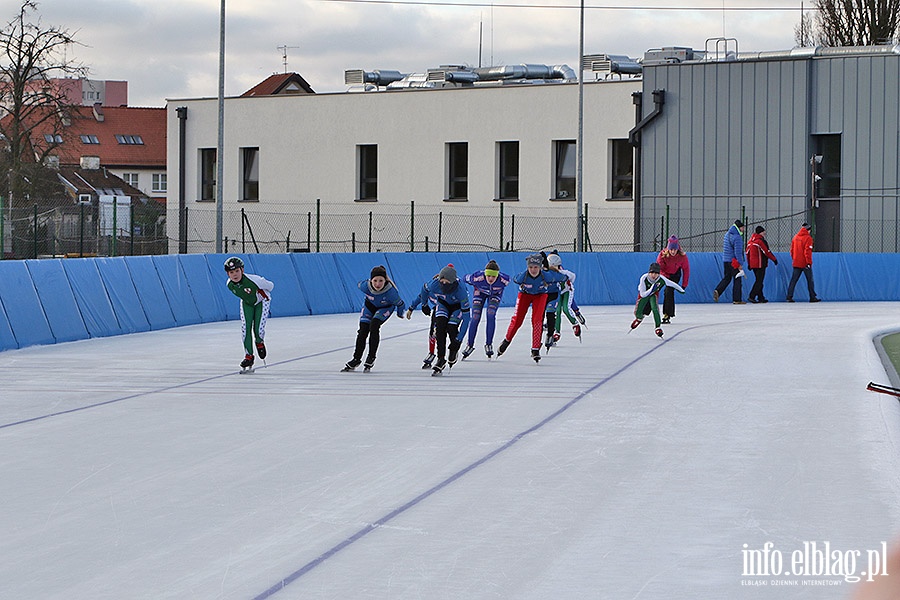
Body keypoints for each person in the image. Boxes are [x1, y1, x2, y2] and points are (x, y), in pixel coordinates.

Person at [497, 253, 567, 362]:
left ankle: (535, 349)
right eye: (530, 267)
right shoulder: (523, 277)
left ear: (540, 267)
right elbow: (515, 279)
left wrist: (567, 277)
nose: (533, 270)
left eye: (535, 267)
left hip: (540, 296)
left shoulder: (547, 276)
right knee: (517, 321)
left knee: (537, 321)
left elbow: (562, 277)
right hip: (524, 295)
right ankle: (506, 341)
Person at [341, 265, 405, 372]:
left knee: (374, 326)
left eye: (381, 281)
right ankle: (356, 359)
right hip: (369, 307)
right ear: (370, 280)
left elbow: (401, 304)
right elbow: (359, 284)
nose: (378, 284)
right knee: (363, 331)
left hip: (385, 308)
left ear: (385, 280)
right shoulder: (365, 286)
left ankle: (371, 357)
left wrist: (400, 314)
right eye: (375, 281)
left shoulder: (391, 292)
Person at [411, 264, 471, 375]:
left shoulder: (461, 290)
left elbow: (467, 319)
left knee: (452, 327)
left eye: (447, 283)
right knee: (440, 328)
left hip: (457, 307)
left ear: (453, 282)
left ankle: (453, 350)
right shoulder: (434, 284)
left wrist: (458, 340)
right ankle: (441, 358)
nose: (443, 285)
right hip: (443, 304)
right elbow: (424, 290)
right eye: (441, 282)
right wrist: (424, 304)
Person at [224, 256, 274, 371]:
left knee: (258, 330)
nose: (235, 275)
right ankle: (249, 356)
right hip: (247, 303)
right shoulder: (229, 285)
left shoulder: (254, 280)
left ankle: (259, 342)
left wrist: (262, 293)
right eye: (231, 272)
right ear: (228, 274)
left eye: (237, 271)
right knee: (245, 328)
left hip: (262, 301)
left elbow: (270, 286)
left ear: (242, 270)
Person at [461, 259, 510, 359]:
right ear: (485, 274)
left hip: (495, 294)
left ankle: (489, 344)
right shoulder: (477, 277)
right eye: (488, 276)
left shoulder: (504, 280)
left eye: (494, 276)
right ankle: (469, 345)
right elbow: (464, 278)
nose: (491, 279)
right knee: (475, 317)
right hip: (479, 293)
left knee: (491, 314)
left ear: (498, 275)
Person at [631, 262, 684, 338]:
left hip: (653, 294)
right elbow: (643, 294)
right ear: (649, 272)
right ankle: (639, 318)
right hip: (644, 294)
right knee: (638, 311)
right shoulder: (644, 278)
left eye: (656, 273)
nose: (653, 275)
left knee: (655, 308)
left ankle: (658, 327)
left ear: (659, 274)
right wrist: (652, 289)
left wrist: (681, 290)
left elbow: (672, 284)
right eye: (652, 273)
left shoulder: (661, 279)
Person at [406, 273, 439, 369]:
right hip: (437, 310)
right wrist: (411, 308)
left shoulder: (447, 290)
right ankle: (432, 353)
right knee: (433, 331)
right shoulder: (429, 289)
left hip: (450, 310)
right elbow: (420, 297)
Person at [548, 253, 582, 342]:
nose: (553, 268)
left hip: (567, 291)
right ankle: (557, 332)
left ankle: (575, 324)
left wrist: (569, 283)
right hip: (558, 293)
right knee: (557, 311)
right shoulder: (548, 274)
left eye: (555, 266)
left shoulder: (563, 272)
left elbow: (573, 276)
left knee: (566, 309)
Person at [656, 235, 690, 323]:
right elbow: (658, 267)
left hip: (675, 275)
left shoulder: (682, 256)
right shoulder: (662, 254)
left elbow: (686, 270)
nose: (673, 251)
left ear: (678, 249)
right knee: (654, 289)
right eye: (671, 249)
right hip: (664, 274)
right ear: (668, 249)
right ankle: (645, 310)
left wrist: (684, 284)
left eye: (675, 249)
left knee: (668, 291)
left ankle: (667, 314)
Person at [713, 219, 747, 304]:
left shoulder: (727, 235)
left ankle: (718, 290)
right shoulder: (737, 237)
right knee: (737, 279)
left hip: (726, 260)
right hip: (734, 261)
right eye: (743, 228)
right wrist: (740, 263)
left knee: (727, 278)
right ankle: (737, 299)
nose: (744, 230)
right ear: (739, 228)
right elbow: (738, 252)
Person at [786, 222, 821, 303]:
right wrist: (809, 262)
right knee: (810, 280)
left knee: (793, 280)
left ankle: (789, 296)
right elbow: (807, 252)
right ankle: (812, 297)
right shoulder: (808, 238)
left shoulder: (795, 237)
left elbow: (792, 250)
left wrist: (794, 259)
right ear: (808, 230)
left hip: (796, 262)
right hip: (805, 263)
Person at [746, 225, 778, 303]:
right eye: (764, 232)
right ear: (760, 232)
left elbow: (747, 253)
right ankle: (752, 296)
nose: (764, 233)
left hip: (753, 265)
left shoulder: (750, 242)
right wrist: (774, 259)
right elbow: (766, 251)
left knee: (758, 280)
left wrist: (749, 263)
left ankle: (761, 297)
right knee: (759, 281)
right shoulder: (760, 241)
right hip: (760, 264)